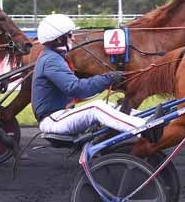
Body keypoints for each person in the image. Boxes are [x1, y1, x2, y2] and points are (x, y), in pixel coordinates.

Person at [31, 14, 163, 141]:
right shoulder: (51, 60)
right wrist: (108, 78)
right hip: (53, 119)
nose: (73, 38)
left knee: (114, 108)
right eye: (70, 35)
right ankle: (145, 127)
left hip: (60, 116)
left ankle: (155, 121)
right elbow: (76, 88)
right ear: (59, 39)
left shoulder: (53, 58)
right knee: (96, 108)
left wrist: (106, 80)